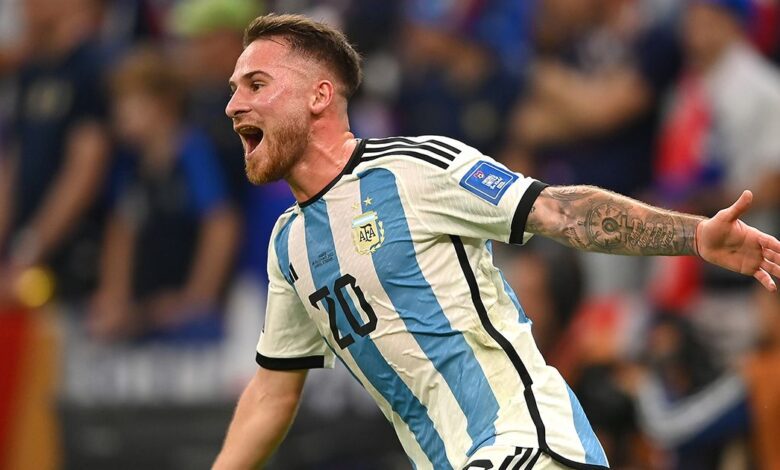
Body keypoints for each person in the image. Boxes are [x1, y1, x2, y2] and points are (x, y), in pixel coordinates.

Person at [214, 13, 780, 470]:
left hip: (529, 441)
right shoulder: (288, 247)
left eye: (256, 84)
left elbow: (561, 211)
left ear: (318, 96)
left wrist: (694, 235)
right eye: (234, 89)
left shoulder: (414, 169)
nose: (233, 104)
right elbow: (271, 394)